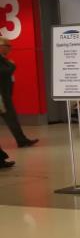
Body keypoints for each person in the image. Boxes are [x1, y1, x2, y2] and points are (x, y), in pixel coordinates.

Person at [0, 36, 38, 168]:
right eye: (7, 46)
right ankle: (21, 140)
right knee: (11, 118)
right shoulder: (4, 61)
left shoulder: (3, 59)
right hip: (1, 97)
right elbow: (5, 71)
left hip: (4, 95)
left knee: (12, 119)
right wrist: (12, 65)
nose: (9, 49)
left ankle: (21, 140)